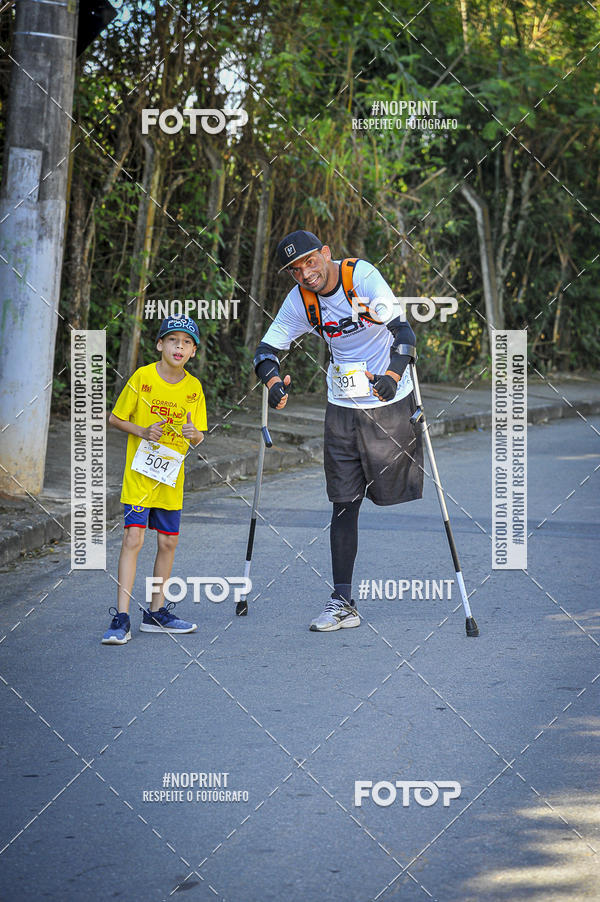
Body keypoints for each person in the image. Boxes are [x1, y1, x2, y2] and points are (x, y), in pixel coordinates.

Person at [253, 230, 423, 632]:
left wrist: (392, 375)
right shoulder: (301, 300)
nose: (305, 273)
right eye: (295, 269)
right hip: (343, 405)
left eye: (310, 261)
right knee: (344, 502)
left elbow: (404, 334)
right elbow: (265, 352)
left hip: (388, 400)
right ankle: (343, 601)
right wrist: (273, 383)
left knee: (393, 492)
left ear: (326, 253)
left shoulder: (360, 278)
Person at [102, 316, 207, 644]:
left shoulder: (194, 388)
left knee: (168, 542)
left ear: (193, 352)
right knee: (133, 539)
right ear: (160, 344)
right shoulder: (143, 377)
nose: (179, 346)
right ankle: (121, 617)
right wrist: (143, 431)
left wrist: (194, 434)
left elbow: (199, 434)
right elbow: (115, 418)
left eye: (187, 342)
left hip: (170, 478)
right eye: (173, 340)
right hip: (140, 475)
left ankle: (156, 612)